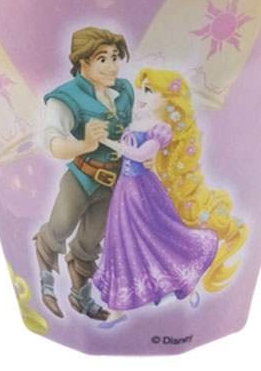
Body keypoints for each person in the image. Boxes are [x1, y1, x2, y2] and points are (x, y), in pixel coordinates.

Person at [92, 70, 223, 328]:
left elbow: (141, 154)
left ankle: (186, 283)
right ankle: (116, 308)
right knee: (121, 241)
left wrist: (109, 142)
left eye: (150, 91)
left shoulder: (160, 129)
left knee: (159, 238)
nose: (142, 95)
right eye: (142, 89)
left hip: (143, 190)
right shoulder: (137, 120)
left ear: (167, 99)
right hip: (125, 190)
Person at [33, 26, 135, 321]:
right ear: (83, 62)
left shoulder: (124, 91)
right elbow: (53, 142)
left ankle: (80, 296)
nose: (112, 66)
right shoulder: (66, 97)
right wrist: (84, 145)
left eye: (115, 57)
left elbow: (133, 130)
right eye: (102, 59)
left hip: (113, 182)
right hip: (81, 178)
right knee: (60, 227)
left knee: (90, 243)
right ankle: (47, 283)